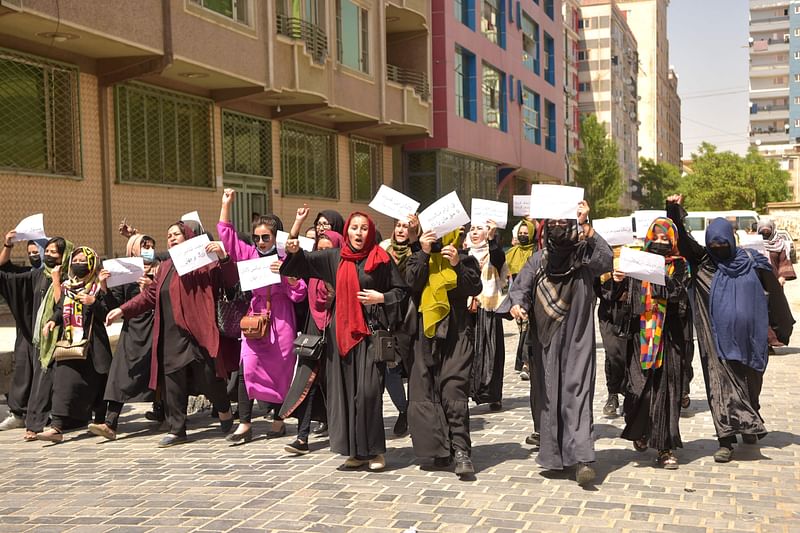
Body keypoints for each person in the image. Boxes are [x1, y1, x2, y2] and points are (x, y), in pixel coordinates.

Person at [666, 196, 794, 463]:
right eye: (714, 243)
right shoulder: (703, 262)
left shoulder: (753, 262)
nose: (718, 247)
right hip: (716, 341)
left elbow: (776, 294)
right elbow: (683, 240)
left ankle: (749, 420)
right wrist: (673, 210)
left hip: (751, 338)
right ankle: (725, 440)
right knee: (720, 386)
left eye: (723, 243)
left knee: (751, 382)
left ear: (732, 241)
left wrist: (782, 327)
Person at [281, 211, 408, 471]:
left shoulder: (381, 259)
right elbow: (301, 262)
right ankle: (356, 452)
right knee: (348, 395)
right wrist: (293, 244)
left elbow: (401, 291)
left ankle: (375, 452)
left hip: (371, 335)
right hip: (342, 336)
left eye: (364, 228)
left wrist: (380, 298)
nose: (359, 233)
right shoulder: (334, 257)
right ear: (347, 232)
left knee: (369, 393)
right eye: (354, 228)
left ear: (370, 232)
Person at [509, 201, 612, 485]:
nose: (557, 228)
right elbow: (521, 288)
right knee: (550, 396)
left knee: (577, 394)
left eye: (562, 223)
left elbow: (606, 261)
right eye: (551, 224)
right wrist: (518, 305)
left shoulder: (584, 258)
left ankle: (583, 459)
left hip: (578, 338)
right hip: (545, 341)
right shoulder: (539, 259)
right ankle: (555, 456)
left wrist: (587, 226)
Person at [106, 222, 236, 448]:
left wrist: (223, 257)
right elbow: (149, 296)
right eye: (168, 235)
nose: (171, 238)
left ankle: (224, 408)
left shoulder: (205, 263)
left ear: (188, 237)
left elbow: (229, 281)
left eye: (176, 234)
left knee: (209, 377)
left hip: (198, 332)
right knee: (172, 381)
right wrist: (122, 309)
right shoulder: (165, 266)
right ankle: (178, 429)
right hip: (171, 335)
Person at [217, 189, 307, 443]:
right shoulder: (249, 254)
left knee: (282, 370)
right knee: (248, 368)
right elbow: (228, 238)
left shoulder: (285, 257)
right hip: (255, 318)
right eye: (256, 237)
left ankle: (279, 419)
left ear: (274, 236)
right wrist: (226, 204)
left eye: (265, 237)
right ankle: (244, 423)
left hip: (281, 320)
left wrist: (287, 275)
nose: (260, 242)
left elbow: (299, 294)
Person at [613, 218, 691, 469]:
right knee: (638, 390)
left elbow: (679, 293)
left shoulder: (679, 265)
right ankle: (641, 431)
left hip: (669, 339)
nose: (659, 243)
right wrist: (618, 280)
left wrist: (658, 274)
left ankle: (665, 448)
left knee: (666, 394)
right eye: (655, 238)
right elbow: (620, 298)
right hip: (640, 338)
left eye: (665, 239)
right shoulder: (636, 261)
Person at [405, 227, 482, 477]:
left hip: (457, 333)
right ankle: (441, 448)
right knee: (429, 391)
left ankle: (461, 451)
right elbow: (411, 282)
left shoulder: (464, 258)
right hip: (426, 336)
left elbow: (474, 287)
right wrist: (423, 251)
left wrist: (457, 264)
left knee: (453, 389)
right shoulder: (419, 258)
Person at [35, 247, 115, 442]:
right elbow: (61, 307)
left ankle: (100, 422)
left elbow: (108, 313)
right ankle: (57, 428)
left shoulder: (98, 286)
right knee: (62, 385)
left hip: (94, 346)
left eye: (82, 260)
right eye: (75, 260)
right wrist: (53, 321)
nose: (78, 263)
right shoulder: (67, 286)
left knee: (99, 383)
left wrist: (93, 301)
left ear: (91, 264)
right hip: (70, 344)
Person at [0, 236, 73, 440]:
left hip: (65, 336)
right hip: (43, 338)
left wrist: (58, 280)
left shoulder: (70, 275)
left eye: (52, 252)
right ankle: (35, 423)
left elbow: (63, 305)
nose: (46, 255)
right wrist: (7, 245)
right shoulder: (39, 274)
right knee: (43, 379)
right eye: (46, 251)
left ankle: (59, 421)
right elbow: (6, 276)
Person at [87, 235, 159, 440]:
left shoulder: (161, 268)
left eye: (151, 247)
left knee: (159, 371)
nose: (148, 250)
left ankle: (163, 412)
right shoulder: (124, 274)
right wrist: (104, 287)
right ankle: (110, 422)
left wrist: (149, 289)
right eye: (143, 246)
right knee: (120, 373)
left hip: (156, 326)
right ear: (133, 250)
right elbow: (112, 306)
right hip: (132, 329)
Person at [281, 229, 342, 455]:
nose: (323, 256)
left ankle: (340, 431)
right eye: (319, 250)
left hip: (337, 333)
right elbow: (294, 267)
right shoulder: (311, 274)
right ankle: (302, 437)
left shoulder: (343, 274)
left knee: (334, 385)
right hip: (313, 332)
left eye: (329, 251)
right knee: (307, 384)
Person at [379, 216, 421, 437]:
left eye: (406, 226)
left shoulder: (418, 251)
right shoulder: (383, 250)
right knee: (390, 368)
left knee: (415, 368)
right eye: (398, 225)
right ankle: (403, 410)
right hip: (388, 317)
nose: (401, 230)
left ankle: (416, 411)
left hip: (411, 317)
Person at [0, 233, 45, 431]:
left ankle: (46, 413)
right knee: (23, 369)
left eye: (38, 252)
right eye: (30, 253)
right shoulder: (26, 275)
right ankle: (18, 414)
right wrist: (7, 244)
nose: (34, 256)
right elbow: (2, 268)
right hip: (27, 332)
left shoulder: (57, 275)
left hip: (49, 333)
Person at [467, 219, 509, 411]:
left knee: (492, 352)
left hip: (489, 310)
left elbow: (499, 258)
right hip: (468, 310)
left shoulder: (494, 254)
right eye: (472, 229)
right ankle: (470, 390)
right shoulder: (463, 254)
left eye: (479, 229)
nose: (474, 232)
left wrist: (492, 239)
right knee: (469, 352)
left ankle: (493, 394)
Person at [757, 219, 796, 351]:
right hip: (758, 283)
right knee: (759, 312)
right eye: (763, 228)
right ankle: (764, 343)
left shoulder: (779, 244)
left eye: (768, 228)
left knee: (775, 312)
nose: (765, 230)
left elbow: (784, 261)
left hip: (775, 284)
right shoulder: (755, 243)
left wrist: (782, 276)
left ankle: (774, 340)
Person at [505, 219, 537, 382]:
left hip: (534, 296)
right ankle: (524, 361)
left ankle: (526, 363)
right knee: (522, 330)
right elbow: (508, 274)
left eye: (526, 233)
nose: (523, 236)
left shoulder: (537, 252)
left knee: (529, 329)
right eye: (521, 233)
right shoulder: (512, 252)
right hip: (518, 296)